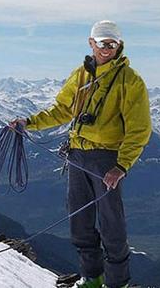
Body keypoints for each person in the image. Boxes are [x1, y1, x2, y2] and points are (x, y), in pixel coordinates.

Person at [10, 20, 151, 288]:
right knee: (80, 222)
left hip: (107, 160)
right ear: (91, 43)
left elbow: (140, 129)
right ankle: (92, 279)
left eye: (112, 44)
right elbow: (62, 110)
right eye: (102, 43)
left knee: (112, 226)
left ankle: (117, 283)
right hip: (78, 156)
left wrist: (121, 166)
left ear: (119, 45)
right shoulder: (81, 76)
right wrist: (28, 122)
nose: (107, 48)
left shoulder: (130, 81)